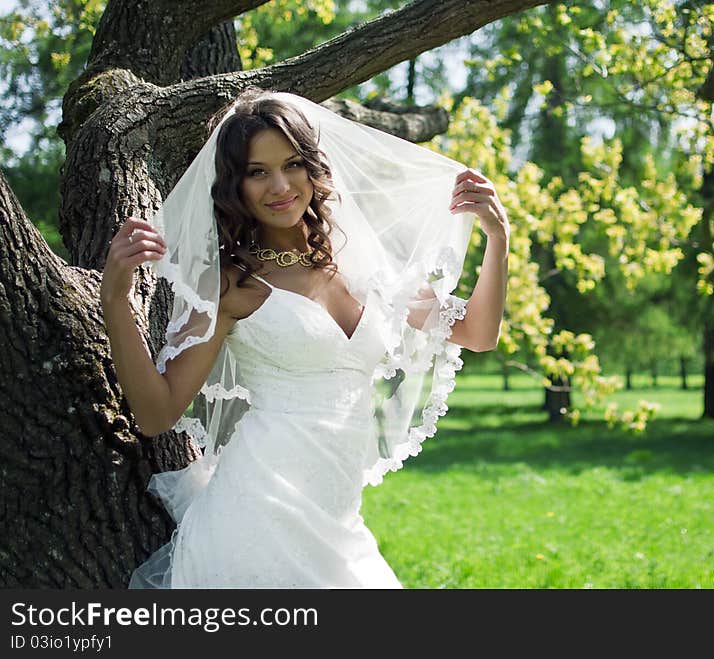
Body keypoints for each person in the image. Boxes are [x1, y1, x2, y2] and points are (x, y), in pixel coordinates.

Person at [100, 89, 509, 588]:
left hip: (338, 521)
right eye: (257, 172)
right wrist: (115, 302)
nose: (280, 186)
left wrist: (497, 238)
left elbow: (477, 332)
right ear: (235, 186)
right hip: (257, 513)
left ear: (313, 169)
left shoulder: (363, 262)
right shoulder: (232, 285)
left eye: (292, 164)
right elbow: (156, 412)